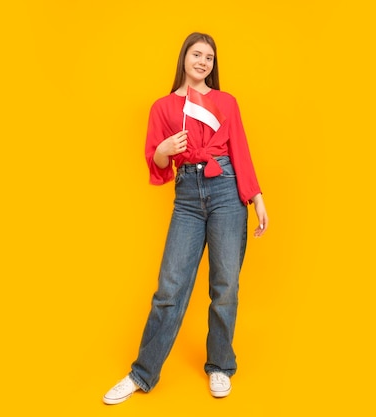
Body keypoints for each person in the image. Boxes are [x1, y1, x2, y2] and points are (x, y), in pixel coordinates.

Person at [102, 32, 268, 405]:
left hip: (226, 189)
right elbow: (159, 167)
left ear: (213, 64)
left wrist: (256, 198)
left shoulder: (226, 102)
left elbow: (240, 149)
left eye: (209, 57)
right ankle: (142, 373)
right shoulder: (162, 108)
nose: (203, 62)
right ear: (184, 58)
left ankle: (221, 365)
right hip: (188, 196)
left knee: (225, 285)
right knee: (169, 289)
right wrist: (162, 150)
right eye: (197, 54)